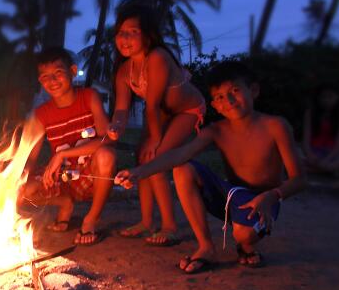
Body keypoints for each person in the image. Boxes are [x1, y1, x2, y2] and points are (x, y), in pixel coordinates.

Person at [114, 61, 307, 273]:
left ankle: (245, 245)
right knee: (183, 168)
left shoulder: (276, 126)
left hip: (265, 199)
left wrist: (272, 196)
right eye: (221, 96)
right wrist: (138, 172)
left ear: (253, 90)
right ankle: (206, 247)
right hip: (231, 195)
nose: (230, 100)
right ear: (214, 105)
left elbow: (299, 179)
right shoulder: (216, 130)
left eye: (235, 90)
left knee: (243, 234)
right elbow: (179, 154)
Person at [107, 3, 207, 246]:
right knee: (142, 158)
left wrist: (155, 139)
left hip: (187, 110)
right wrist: (116, 127)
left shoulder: (158, 57)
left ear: (148, 34)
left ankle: (170, 225)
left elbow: (151, 105)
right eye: (121, 32)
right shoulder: (123, 70)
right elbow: (121, 109)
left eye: (133, 31)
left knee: (156, 160)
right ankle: (146, 221)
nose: (125, 38)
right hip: (163, 112)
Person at [21, 47, 116, 246]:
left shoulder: (89, 97)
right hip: (62, 178)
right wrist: (16, 179)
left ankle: (90, 219)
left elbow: (106, 138)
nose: (52, 81)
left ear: (72, 71)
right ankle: (64, 204)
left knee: (106, 155)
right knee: (20, 189)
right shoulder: (41, 114)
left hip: (91, 175)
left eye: (58, 73)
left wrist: (63, 154)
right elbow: (29, 158)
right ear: (40, 81)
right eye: (46, 76)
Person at [303, 85, 339, 174]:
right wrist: (310, 156)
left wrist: (327, 159)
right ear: (319, 98)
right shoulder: (310, 113)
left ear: (337, 97)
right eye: (323, 97)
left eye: (330, 97)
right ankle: (327, 170)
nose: (327, 100)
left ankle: (315, 169)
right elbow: (305, 140)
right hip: (313, 150)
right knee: (288, 156)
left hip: (333, 153)